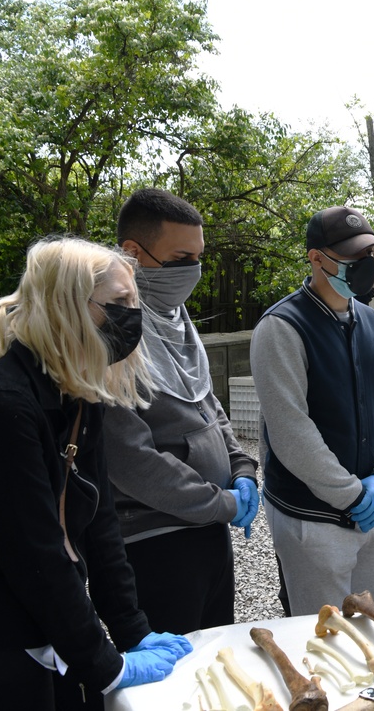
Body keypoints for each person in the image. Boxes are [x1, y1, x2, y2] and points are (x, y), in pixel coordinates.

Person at [0, 237, 192, 709]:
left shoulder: (76, 390)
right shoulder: (7, 404)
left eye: (134, 300)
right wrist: (105, 665)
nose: (132, 314)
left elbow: (101, 523)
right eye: (119, 303)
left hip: (44, 620)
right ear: (67, 307)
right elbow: (34, 552)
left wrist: (131, 630)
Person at [103, 189, 259, 635]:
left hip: (206, 528)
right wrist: (222, 502)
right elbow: (131, 460)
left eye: (199, 256)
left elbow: (208, 404)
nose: (193, 270)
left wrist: (242, 467)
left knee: (214, 654)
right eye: (181, 257)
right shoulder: (113, 333)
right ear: (132, 254)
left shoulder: (175, 316)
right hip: (155, 538)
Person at [250, 206, 374, 615]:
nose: (365, 266)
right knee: (321, 641)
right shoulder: (281, 327)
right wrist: (351, 493)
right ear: (316, 258)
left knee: (372, 630)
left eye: (369, 256)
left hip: (371, 509)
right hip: (312, 519)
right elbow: (290, 429)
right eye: (352, 258)